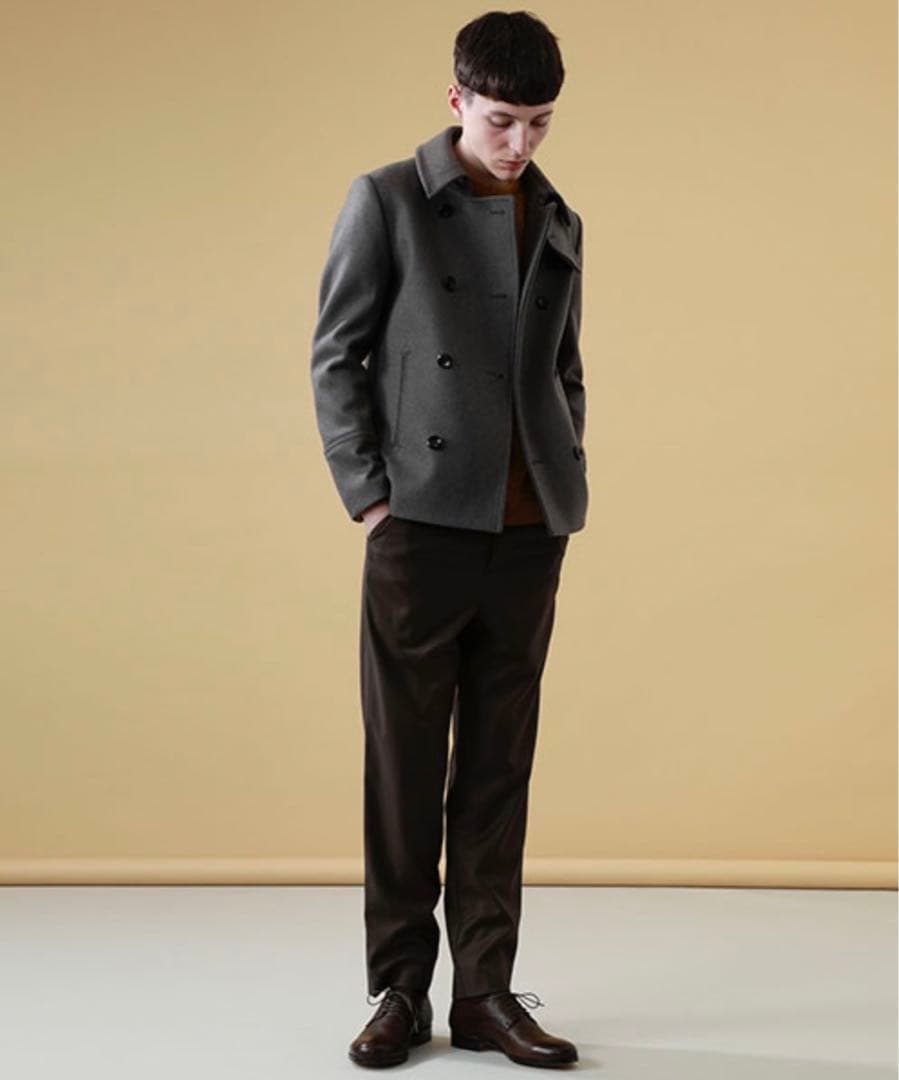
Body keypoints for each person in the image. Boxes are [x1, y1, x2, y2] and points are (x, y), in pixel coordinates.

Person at [310, 9, 587, 1069]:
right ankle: (398, 989)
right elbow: (335, 354)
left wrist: (563, 474)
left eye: (539, 122)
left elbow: (563, 369)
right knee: (404, 765)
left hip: (527, 529)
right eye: (501, 119)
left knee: (498, 770)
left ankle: (484, 993)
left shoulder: (557, 215)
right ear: (456, 99)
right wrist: (371, 498)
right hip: (420, 526)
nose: (519, 143)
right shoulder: (386, 199)